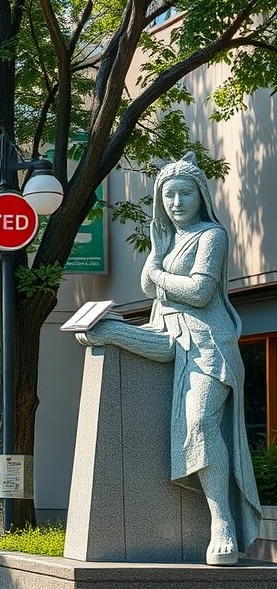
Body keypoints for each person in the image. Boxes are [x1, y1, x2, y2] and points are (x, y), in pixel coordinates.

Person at [76, 154, 262, 565]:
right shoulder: (166, 240)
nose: (177, 202)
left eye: (185, 193)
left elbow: (197, 292)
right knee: (101, 332)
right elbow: (156, 307)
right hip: (169, 336)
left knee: (199, 421)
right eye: (169, 195)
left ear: (201, 196)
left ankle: (222, 522)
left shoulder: (211, 235)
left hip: (209, 345)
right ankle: (101, 328)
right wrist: (111, 326)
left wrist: (158, 272)